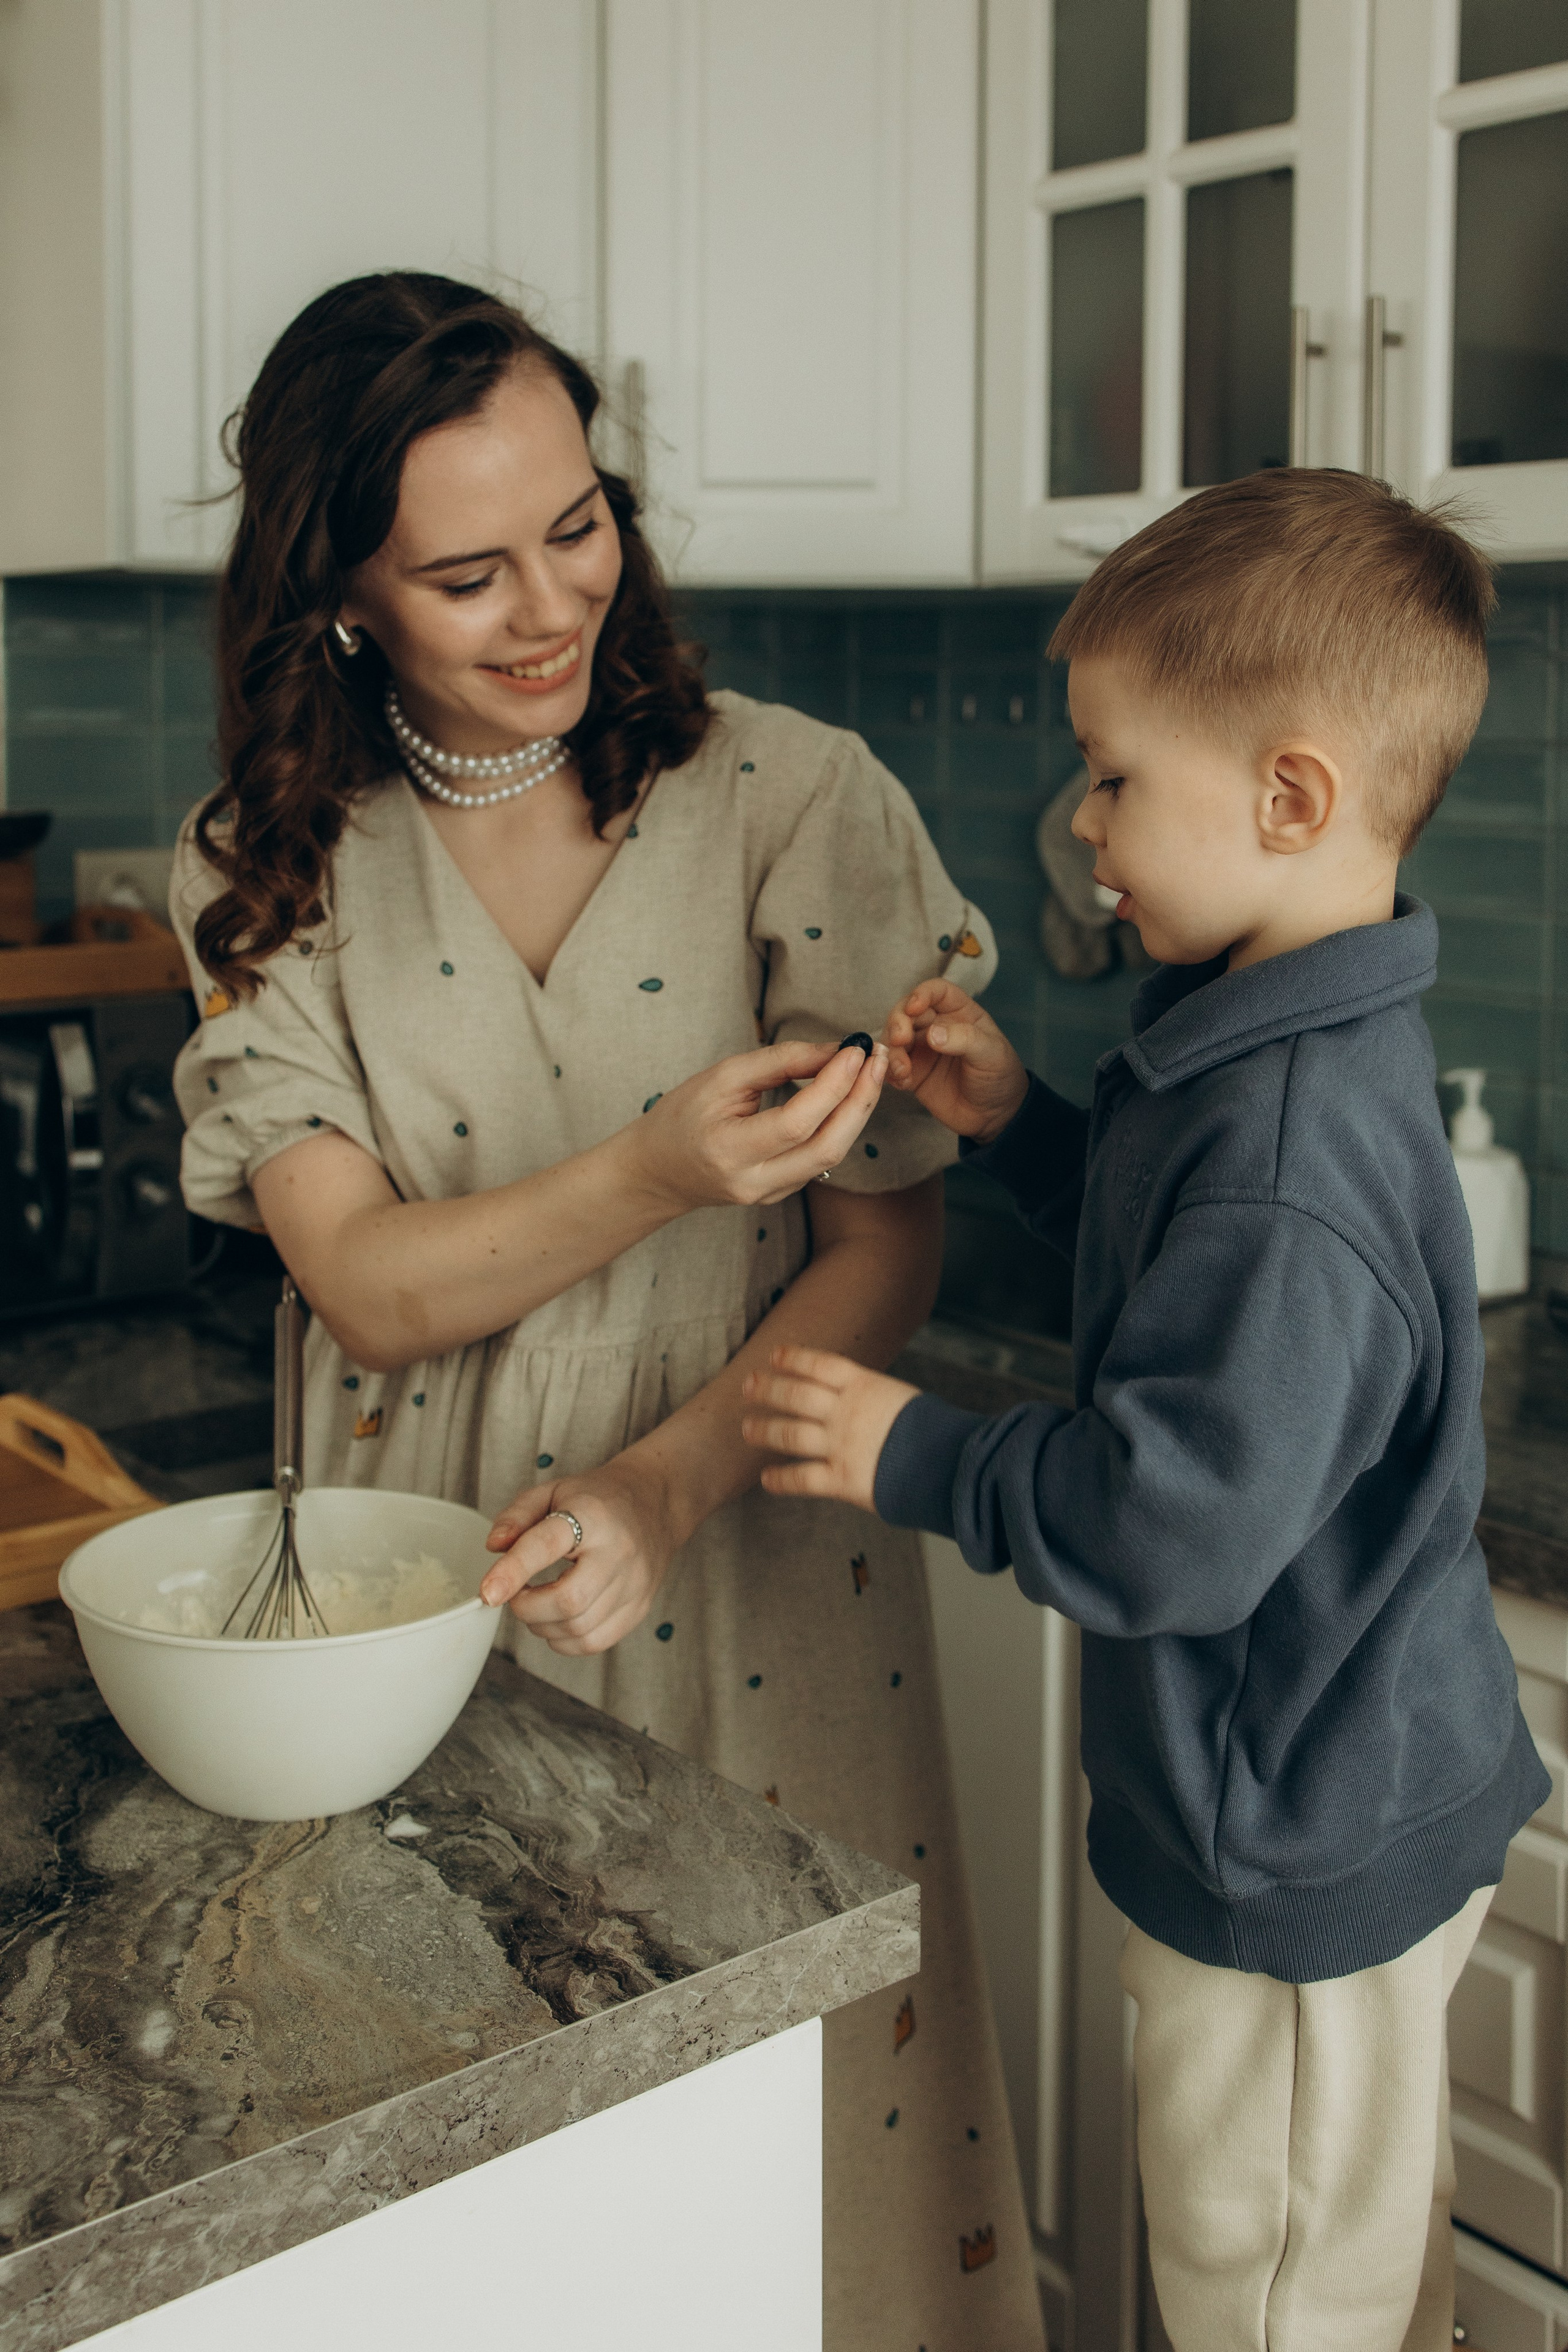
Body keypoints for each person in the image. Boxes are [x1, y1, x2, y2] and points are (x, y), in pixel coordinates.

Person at [168, 271, 1046, 2352]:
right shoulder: (267, 860)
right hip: (420, 1602)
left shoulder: (793, 796)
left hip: (763, 1557)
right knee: (477, 2182)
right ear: (337, 597)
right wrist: (654, 1165)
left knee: (819, 2130)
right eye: (465, 572)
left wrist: (659, 1486)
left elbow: (888, 1239)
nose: (552, 604)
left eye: (580, 526)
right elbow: (369, 1292)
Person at [741, 468, 1551, 2352]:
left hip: (1288, 1848)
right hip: (1343, 1785)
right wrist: (1032, 1127)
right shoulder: (1277, 1027)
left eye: (1113, 776)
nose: (1081, 823)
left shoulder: (1285, 1145)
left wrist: (909, 1449)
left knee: (1273, 2311)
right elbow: (1178, 1250)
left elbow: (1170, 1525)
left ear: (1288, 797)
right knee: (1356, 2283)